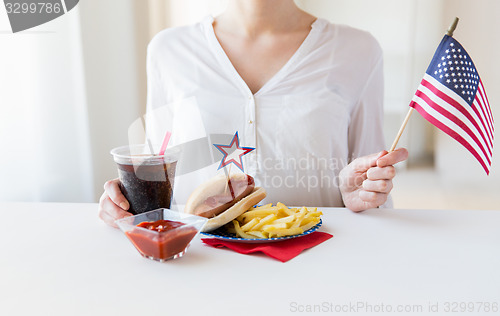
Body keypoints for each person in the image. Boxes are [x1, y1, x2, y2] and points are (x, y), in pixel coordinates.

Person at [99, 0, 408, 227]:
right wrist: (127, 203)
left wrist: (362, 198)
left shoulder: (358, 50)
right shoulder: (168, 50)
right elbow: (157, 174)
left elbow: (374, 183)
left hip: (317, 262)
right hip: (200, 267)